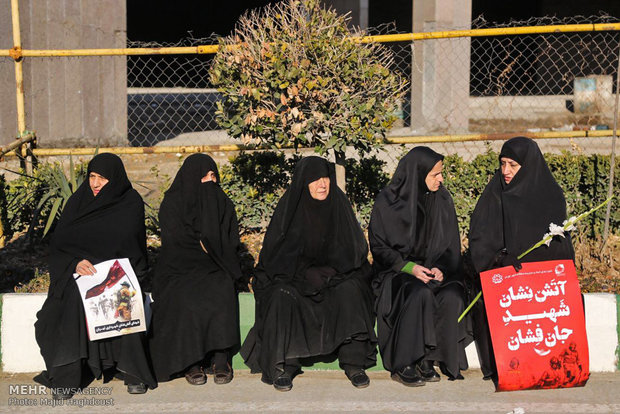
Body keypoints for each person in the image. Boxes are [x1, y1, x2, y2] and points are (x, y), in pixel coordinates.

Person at [241, 156, 377, 391]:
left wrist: (330, 270)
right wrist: (305, 273)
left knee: (352, 289)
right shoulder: (290, 207)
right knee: (281, 295)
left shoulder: (339, 203)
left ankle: (354, 362)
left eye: (325, 178)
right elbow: (275, 255)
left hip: (334, 276)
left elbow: (354, 249)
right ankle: (285, 365)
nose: (322, 184)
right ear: (304, 182)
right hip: (296, 278)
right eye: (314, 179)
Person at [34, 153, 156, 399]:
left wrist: (116, 272)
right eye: (92, 177)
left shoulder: (129, 202)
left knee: (124, 295)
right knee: (73, 300)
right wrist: (75, 263)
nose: (95, 183)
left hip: (116, 272)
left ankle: (133, 372)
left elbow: (134, 246)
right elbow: (59, 246)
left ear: (115, 178)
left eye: (102, 178)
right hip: (80, 275)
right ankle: (67, 377)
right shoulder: (78, 202)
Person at [468, 136, 575, 380]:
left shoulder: (550, 195)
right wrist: (499, 258)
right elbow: (480, 239)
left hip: (541, 283)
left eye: (513, 166)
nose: (505, 171)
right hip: (505, 278)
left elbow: (561, 248)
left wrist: (537, 270)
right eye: (502, 163)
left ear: (528, 166)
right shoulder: (495, 194)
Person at [368, 147, 469, 386]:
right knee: (418, 292)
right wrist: (409, 267)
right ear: (418, 173)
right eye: (435, 174)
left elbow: (450, 245)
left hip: (433, 270)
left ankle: (430, 358)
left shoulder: (441, 199)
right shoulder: (388, 201)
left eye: (441, 173)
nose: (441, 179)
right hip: (397, 272)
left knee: (452, 295)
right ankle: (406, 362)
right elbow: (380, 248)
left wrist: (442, 267)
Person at [149, 154, 244, 386]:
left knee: (221, 286)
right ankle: (191, 361)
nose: (210, 182)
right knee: (184, 293)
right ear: (192, 177)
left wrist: (209, 243)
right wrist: (206, 245)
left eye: (214, 176)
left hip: (216, 266)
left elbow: (229, 243)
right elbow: (175, 244)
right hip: (179, 268)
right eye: (205, 176)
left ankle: (221, 356)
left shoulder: (222, 202)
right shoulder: (173, 204)